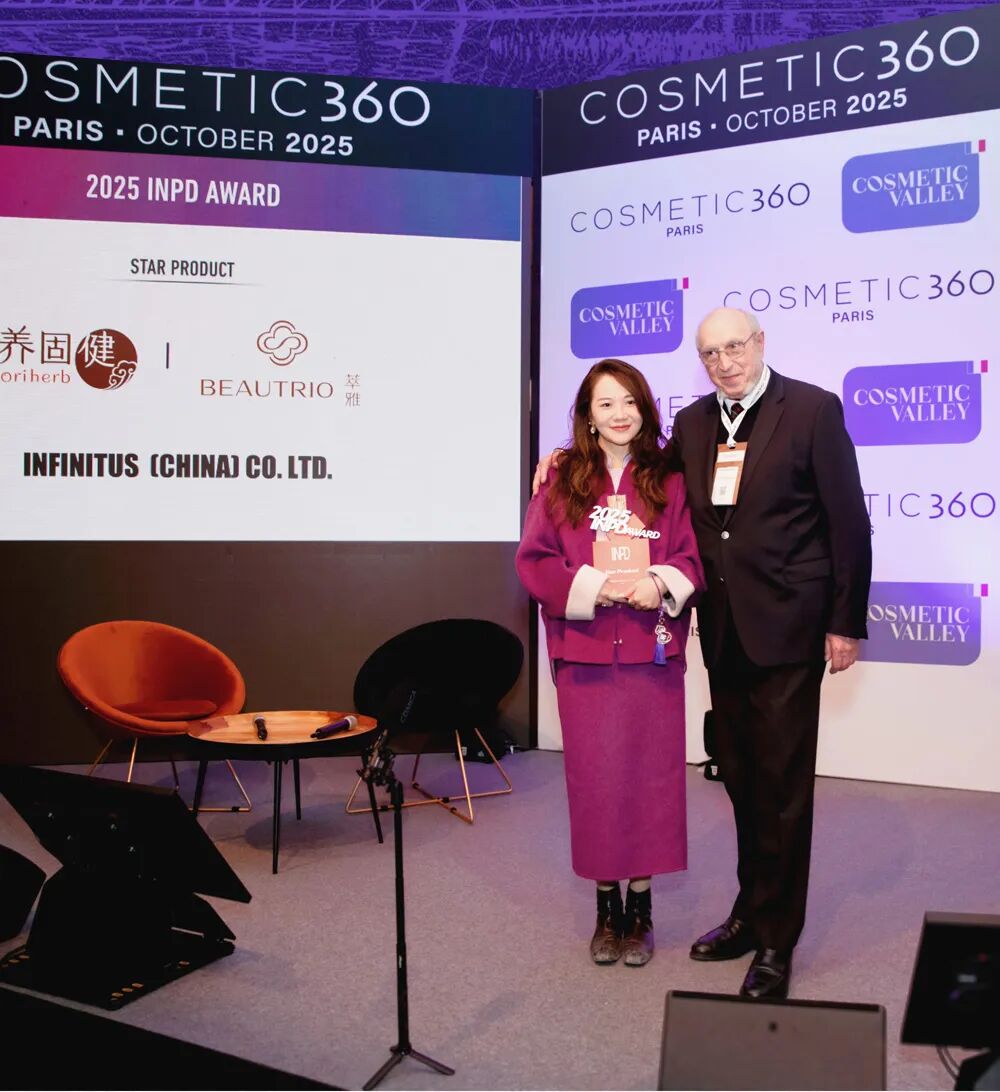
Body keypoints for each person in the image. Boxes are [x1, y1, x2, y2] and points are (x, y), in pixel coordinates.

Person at [534, 309, 872, 998]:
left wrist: (845, 623)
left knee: (782, 791)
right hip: (721, 632)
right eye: (711, 353)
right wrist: (561, 459)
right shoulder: (691, 427)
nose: (725, 362)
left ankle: (777, 941)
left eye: (735, 347)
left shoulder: (812, 411)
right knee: (741, 779)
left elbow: (849, 522)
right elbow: (634, 480)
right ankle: (749, 913)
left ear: (760, 344)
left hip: (789, 631)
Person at [517, 358, 704, 967]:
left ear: (645, 409)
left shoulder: (670, 478)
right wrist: (593, 588)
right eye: (606, 404)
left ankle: (642, 908)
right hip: (586, 652)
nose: (620, 414)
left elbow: (692, 556)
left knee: (651, 779)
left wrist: (660, 581)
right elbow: (534, 560)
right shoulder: (561, 477)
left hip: (652, 650)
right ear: (588, 416)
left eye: (629, 401)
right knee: (596, 782)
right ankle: (606, 907)